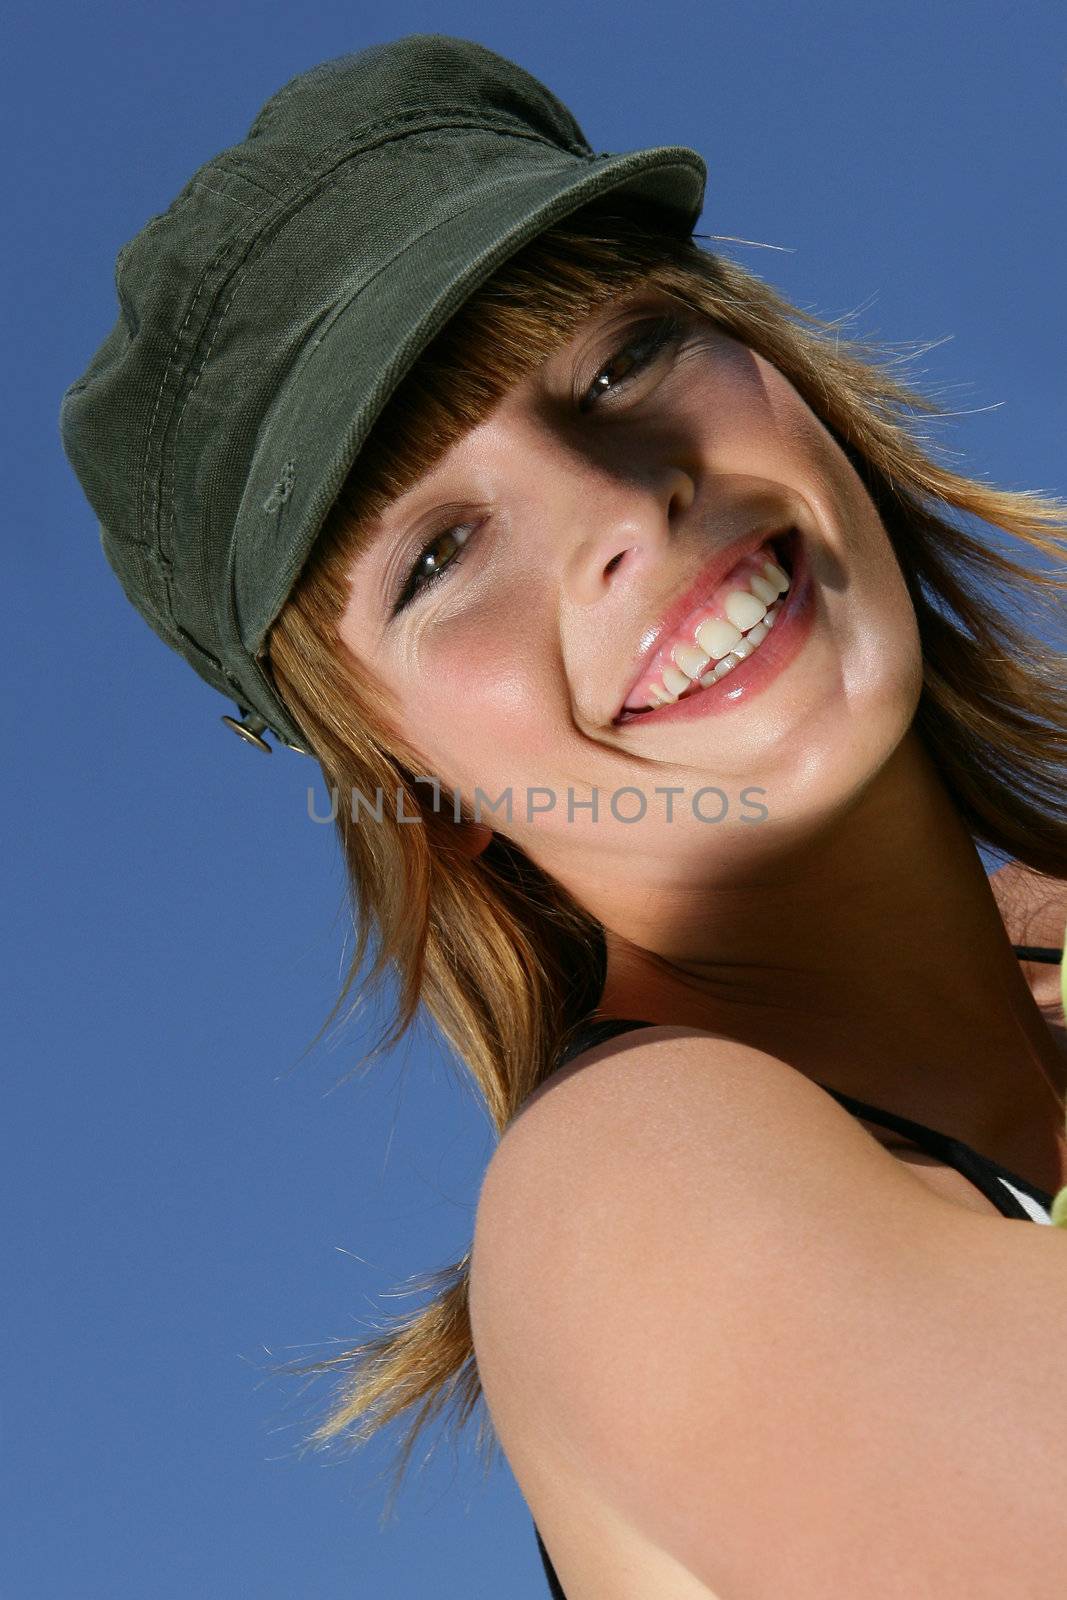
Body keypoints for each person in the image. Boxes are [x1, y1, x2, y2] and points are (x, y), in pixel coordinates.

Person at [59, 31, 1067, 1600]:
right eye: (438, 558)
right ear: (425, 800)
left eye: (620, 359)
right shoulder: (631, 1191)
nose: (620, 506)